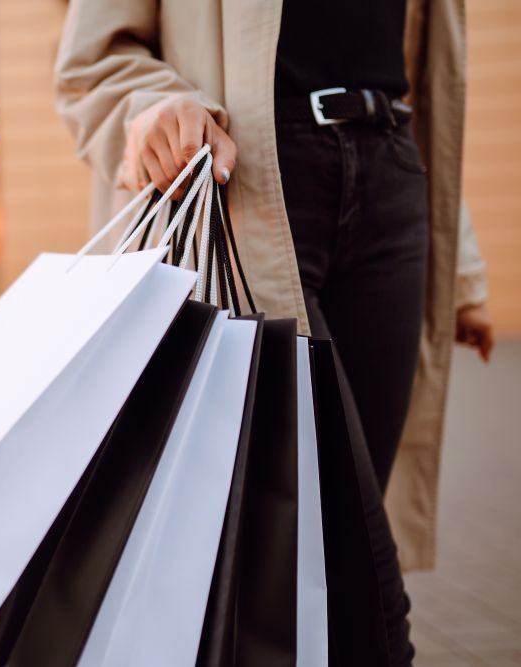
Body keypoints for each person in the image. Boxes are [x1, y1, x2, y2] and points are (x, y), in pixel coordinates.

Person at [54, 0, 494, 664]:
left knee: (325, 543)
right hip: (246, 188)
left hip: (393, 178)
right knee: (345, 554)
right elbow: (94, 62)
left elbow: (427, 77)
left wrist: (457, 268)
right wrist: (157, 106)